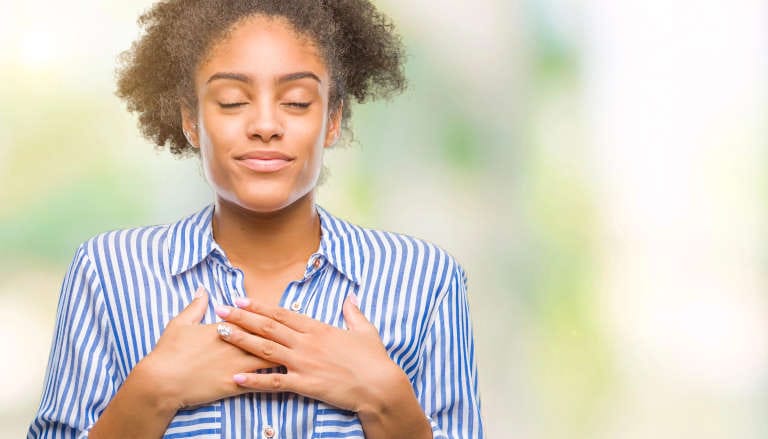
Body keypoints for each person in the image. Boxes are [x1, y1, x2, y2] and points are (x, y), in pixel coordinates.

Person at [28, 1, 484, 438]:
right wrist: (153, 391)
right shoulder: (109, 272)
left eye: (298, 102)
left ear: (332, 120)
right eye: (231, 101)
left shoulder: (427, 279)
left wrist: (386, 399)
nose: (265, 125)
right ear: (191, 119)